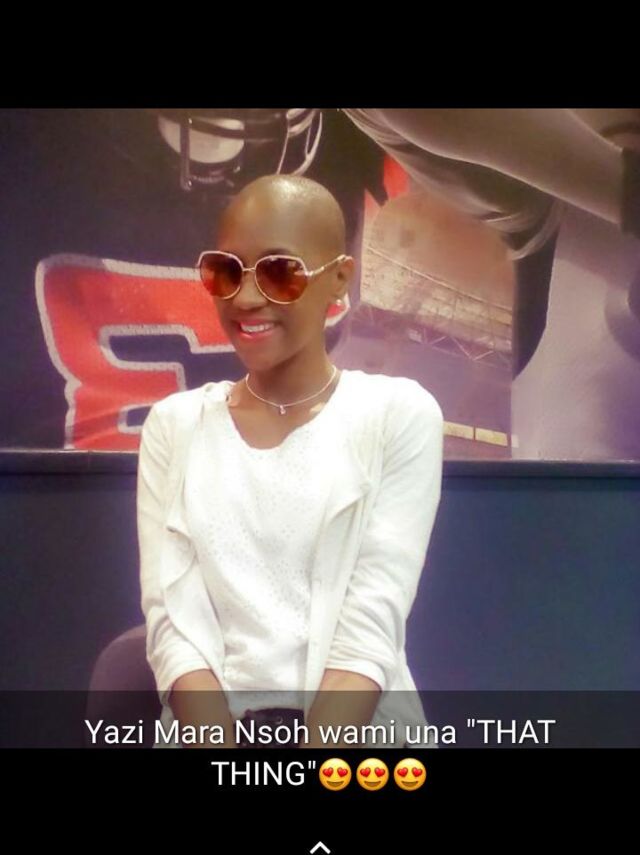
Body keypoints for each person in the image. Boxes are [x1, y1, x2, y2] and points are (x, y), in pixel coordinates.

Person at [136, 174, 444, 749]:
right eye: (226, 272)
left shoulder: (397, 416)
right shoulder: (175, 427)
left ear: (340, 278)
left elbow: (369, 632)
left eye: (279, 272)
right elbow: (173, 627)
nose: (246, 298)